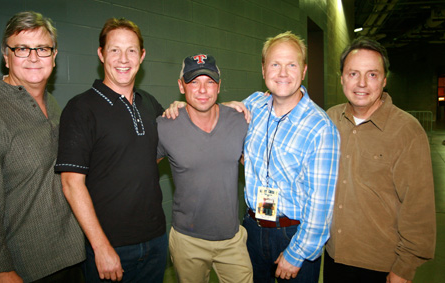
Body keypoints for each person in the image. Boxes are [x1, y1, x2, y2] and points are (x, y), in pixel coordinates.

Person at [0, 11, 85, 282]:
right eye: (22, 48)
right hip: (24, 271)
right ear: (6, 56)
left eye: (43, 49)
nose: (33, 57)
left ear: (54, 56)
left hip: (71, 260)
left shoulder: (54, 106)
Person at [54, 18, 167, 282]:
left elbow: (156, 152)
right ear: (101, 54)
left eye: (131, 50)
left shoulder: (148, 103)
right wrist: (101, 246)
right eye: (114, 50)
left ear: (142, 55)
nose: (123, 59)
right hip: (110, 247)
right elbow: (71, 184)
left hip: (156, 240)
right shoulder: (81, 108)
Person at [323, 37, 436, 283]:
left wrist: (404, 268)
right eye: (353, 73)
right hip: (333, 258)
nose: (362, 83)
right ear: (342, 77)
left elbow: (419, 207)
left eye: (372, 75)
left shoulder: (407, 131)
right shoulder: (330, 120)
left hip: (381, 266)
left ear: (384, 80)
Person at [241, 31, 340, 282]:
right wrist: (183, 107)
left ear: (304, 70)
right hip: (253, 228)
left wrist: (297, 254)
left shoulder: (320, 128)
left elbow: (321, 204)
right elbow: (216, 117)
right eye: (275, 64)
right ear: (263, 70)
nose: (282, 73)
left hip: (293, 235)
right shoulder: (254, 106)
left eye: (291, 65)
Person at [157, 54, 253, 283]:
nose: (202, 90)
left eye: (209, 81)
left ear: (219, 86)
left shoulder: (240, 121)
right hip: (187, 242)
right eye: (193, 82)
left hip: (231, 239)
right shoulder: (165, 126)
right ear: (181, 86)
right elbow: (138, 171)